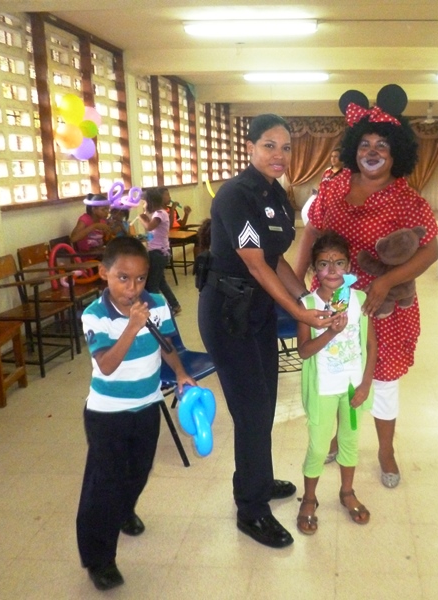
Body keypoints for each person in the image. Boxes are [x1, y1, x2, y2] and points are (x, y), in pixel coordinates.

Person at [198, 113, 334, 549]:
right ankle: (251, 509)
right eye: (270, 145)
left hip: (256, 312)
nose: (279, 154)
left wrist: (309, 299)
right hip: (228, 313)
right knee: (252, 410)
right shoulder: (235, 195)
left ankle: (256, 477)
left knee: (265, 403)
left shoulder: (277, 194)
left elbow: (276, 259)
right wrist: (298, 312)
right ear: (251, 148)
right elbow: (255, 263)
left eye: (286, 147)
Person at [295, 86, 438, 489]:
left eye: (382, 145)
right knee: (336, 369)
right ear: (353, 148)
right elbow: (312, 233)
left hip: (383, 305)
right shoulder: (334, 186)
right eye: (365, 144)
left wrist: (386, 281)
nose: (372, 151)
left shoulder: (407, 198)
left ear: (396, 153)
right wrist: (297, 287)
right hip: (333, 298)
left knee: (383, 377)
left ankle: (385, 450)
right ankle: (337, 438)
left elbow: (429, 251)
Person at [76, 236, 195, 591]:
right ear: (104, 274)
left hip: (147, 405)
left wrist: (181, 373)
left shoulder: (156, 303)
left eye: (140, 278)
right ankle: (99, 559)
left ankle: (123, 509)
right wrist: (131, 326)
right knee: (104, 485)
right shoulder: (94, 315)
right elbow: (107, 364)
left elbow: (167, 344)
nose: (133, 288)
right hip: (107, 414)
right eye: (123, 278)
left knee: (139, 470)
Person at [296, 231, 377, 535]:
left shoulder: (360, 300)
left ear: (348, 266)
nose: (332, 270)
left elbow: (371, 345)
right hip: (323, 389)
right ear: (314, 269)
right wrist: (330, 331)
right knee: (319, 447)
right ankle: (310, 498)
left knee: (349, 441)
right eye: (323, 264)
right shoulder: (307, 304)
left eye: (339, 263)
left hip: (353, 388)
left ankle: (347, 492)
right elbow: (304, 351)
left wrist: (366, 384)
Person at [139, 188, 182, 316]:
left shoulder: (159, 214)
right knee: (161, 282)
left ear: (151, 202)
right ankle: (174, 305)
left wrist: (142, 218)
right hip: (159, 252)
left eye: (145, 202)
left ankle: (157, 312)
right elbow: (154, 232)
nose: (143, 205)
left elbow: (149, 227)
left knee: (152, 286)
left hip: (158, 254)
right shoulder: (159, 213)